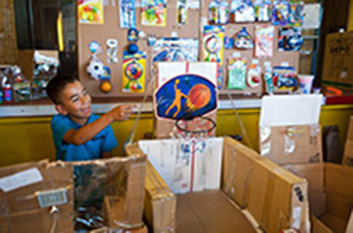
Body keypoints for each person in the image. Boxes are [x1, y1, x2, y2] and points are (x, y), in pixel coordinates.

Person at [46, 74, 133, 161]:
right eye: (75, 99)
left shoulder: (103, 124)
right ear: (62, 109)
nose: (85, 101)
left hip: (96, 173)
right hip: (68, 173)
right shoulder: (59, 122)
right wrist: (110, 116)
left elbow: (107, 158)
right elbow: (77, 138)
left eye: (85, 93)